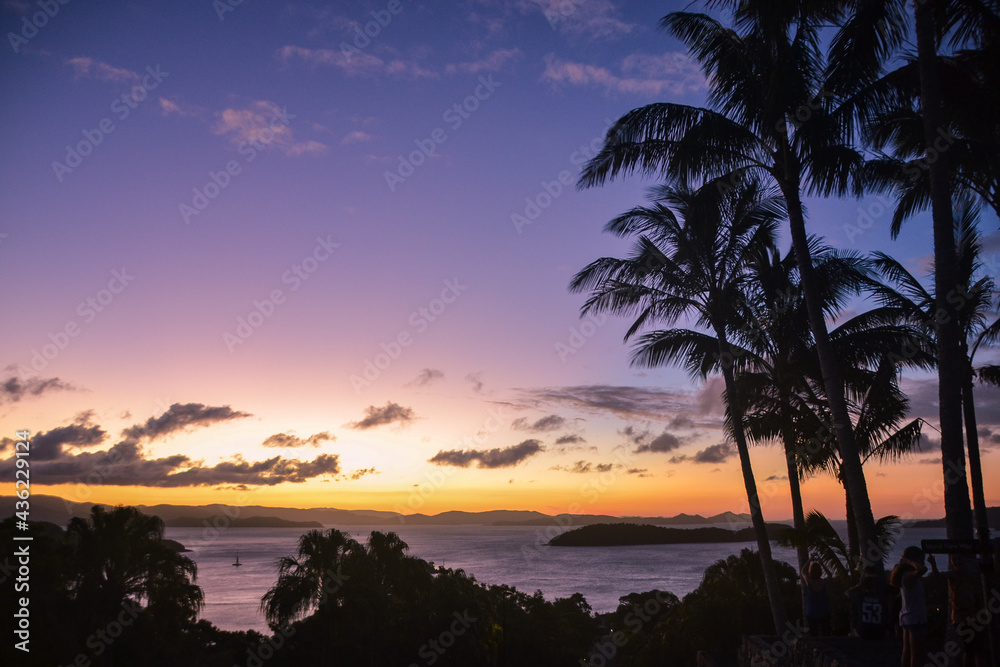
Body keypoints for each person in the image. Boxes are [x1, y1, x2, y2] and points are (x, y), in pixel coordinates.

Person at [891, 546, 929, 667]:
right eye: (921, 559)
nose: (922, 562)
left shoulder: (907, 576)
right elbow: (923, 569)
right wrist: (909, 562)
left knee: (907, 652)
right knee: (916, 654)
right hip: (915, 618)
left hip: (908, 617)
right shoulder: (909, 577)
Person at [846, 566, 890, 640]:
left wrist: (858, 585)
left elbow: (847, 592)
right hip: (879, 632)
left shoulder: (860, 597)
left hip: (863, 632)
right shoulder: (882, 598)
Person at [801, 559, 832, 636]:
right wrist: (822, 563)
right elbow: (830, 575)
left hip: (812, 612)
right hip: (824, 611)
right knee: (826, 634)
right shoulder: (823, 582)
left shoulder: (809, 581)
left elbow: (803, 571)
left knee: (813, 634)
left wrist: (810, 560)